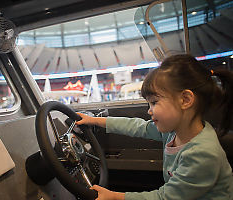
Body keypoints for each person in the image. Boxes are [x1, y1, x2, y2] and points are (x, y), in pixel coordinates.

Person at [76, 54, 233, 200]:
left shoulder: (202, 154)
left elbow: (165, 197)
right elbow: (137, 127)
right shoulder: (175, 132)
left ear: (185, 100)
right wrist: (95, 121)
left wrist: (116, 197)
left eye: (154, 102)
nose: (149, 110)